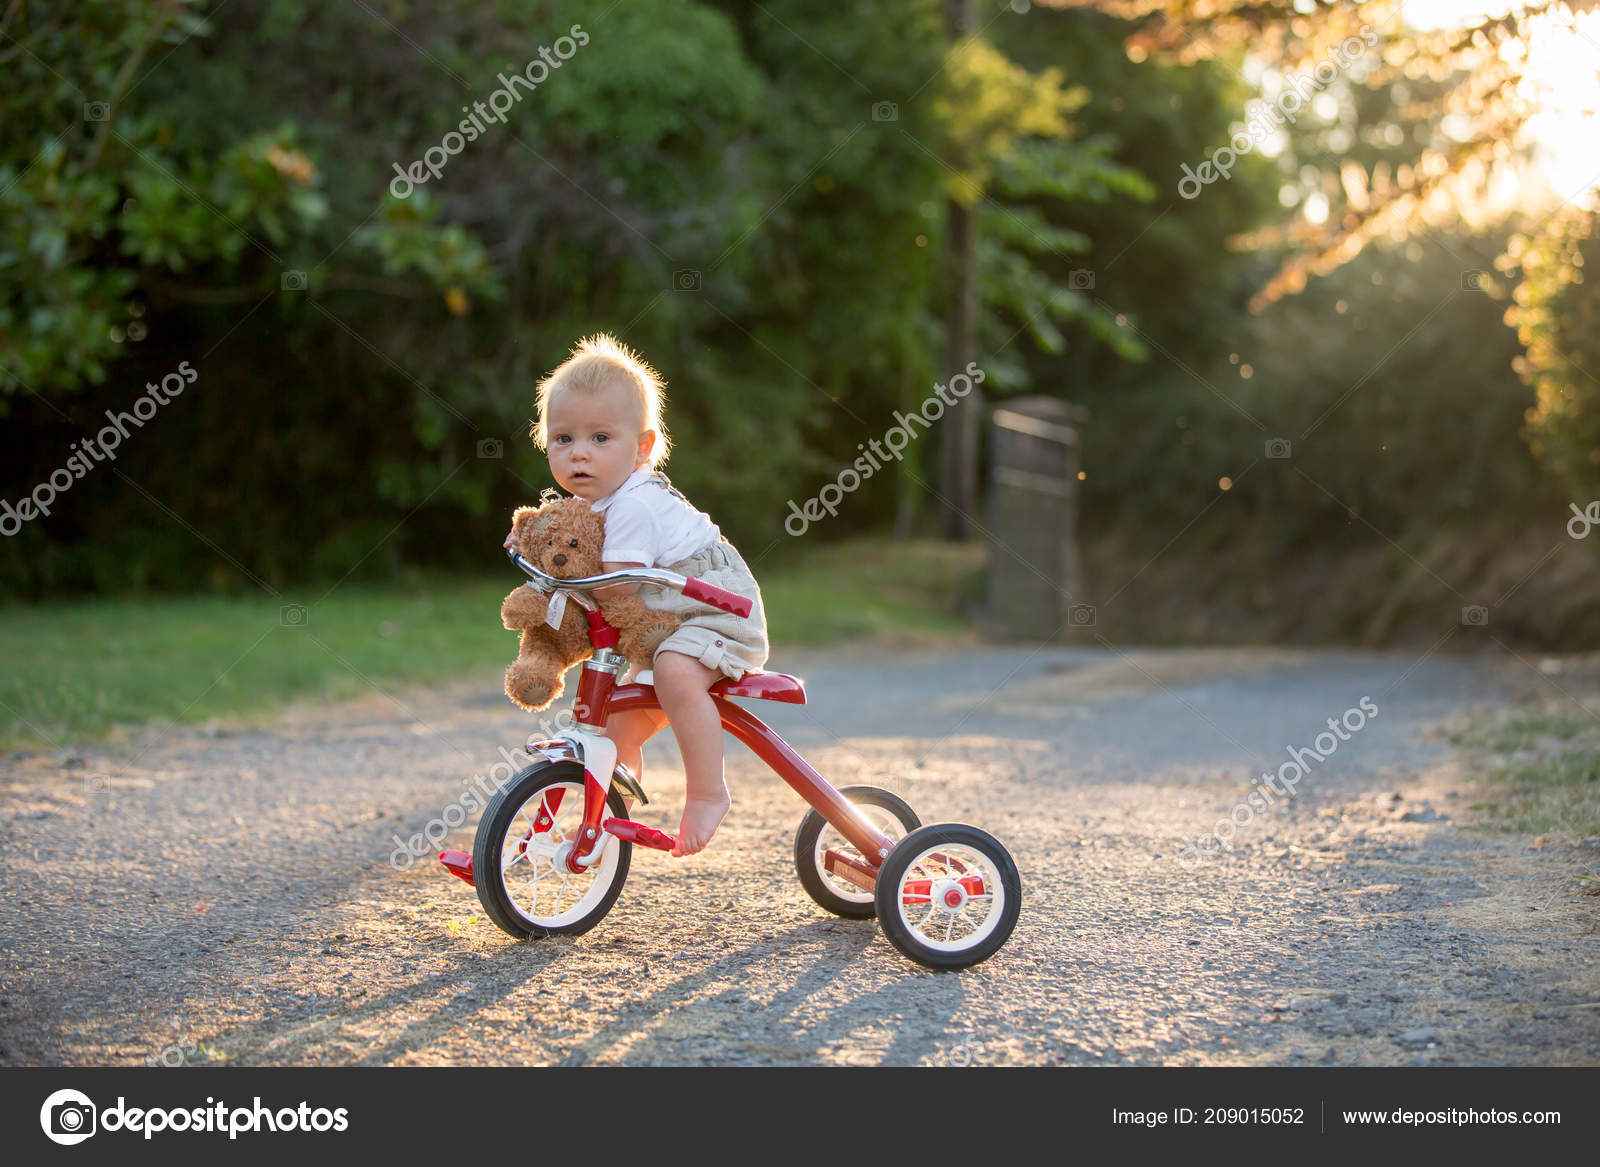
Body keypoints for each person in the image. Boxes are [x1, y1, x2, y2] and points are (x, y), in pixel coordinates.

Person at [521, 333, 769, 857]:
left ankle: (709, 792)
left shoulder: (633, 506)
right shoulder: (594, 502)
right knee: (615, 727)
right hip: (663, 619)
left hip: (713, 610)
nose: (579, 453)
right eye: (563, 439)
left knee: (676, 674)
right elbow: (561, 541)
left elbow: (617, 586)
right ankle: (606, 819)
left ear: (642, 448)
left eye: (600, 438)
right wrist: (528, 544)